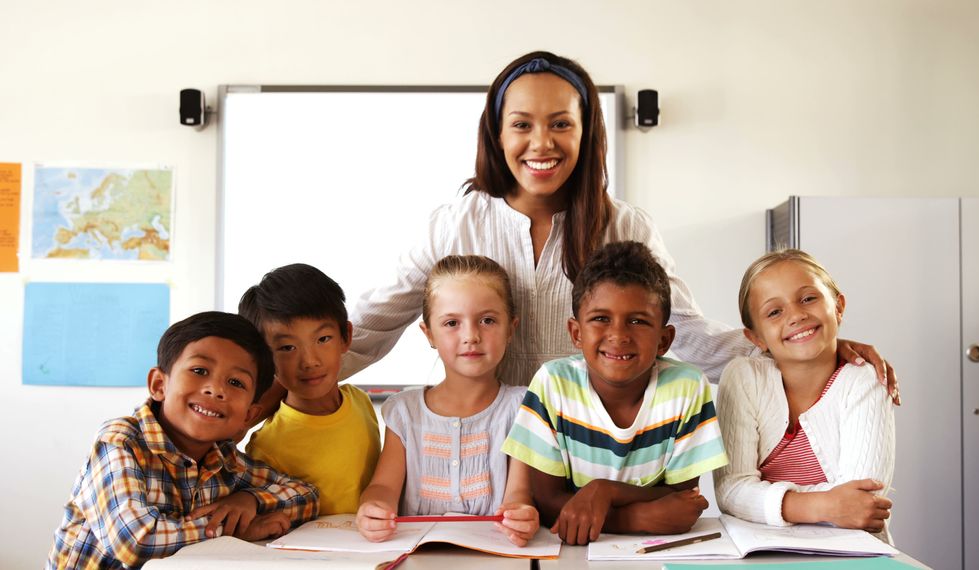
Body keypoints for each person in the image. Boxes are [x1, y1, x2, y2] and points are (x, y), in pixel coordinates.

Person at [331, 50, 900, 398]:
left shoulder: (624, 225)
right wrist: (283, 368)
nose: (541, 143)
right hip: (490, 447)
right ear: (497, 134)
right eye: (522, 124)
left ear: (586, 132)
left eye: (560, 124)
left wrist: (800, 346)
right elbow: (373, 323)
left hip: (596, 450)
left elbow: (687, 332)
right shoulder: (453, 225)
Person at [48, 312, 320, 569]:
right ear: (159, 384)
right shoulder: (121, 442)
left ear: (248, 415)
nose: (216, 389)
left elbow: (307, 496)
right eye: (200, 370)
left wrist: (250, 500)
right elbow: (135, 540)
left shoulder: (225, 461)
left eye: (236, 383)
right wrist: (233, 531)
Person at [502, 241, 728, 545]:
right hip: (567, 553)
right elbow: (547, 501)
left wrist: (602, 491)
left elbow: (682, 501)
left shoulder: (686, 388)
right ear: (576, 333)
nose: (619, 335)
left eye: (638, 321)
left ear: (664, 340)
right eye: (600, 319)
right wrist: (636, 518)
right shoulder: (552, 385)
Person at [355, 256, 540, 546]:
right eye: (452, 323)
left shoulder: (521, 408)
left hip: (494, 559)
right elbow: (382, 487)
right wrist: (373, 509)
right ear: (429, 333)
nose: (471, 336)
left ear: (511, 328)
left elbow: (519, 494)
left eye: (488, 320)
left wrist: (521, 515)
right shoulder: (405, 411)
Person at [713, 249, 895, 542]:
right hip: (760, 554)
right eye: (774, 312)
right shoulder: (743, 377)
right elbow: (731, 491)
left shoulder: (865, 380)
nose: (796, 315)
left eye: (808, 298)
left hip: (851, 554)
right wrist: (825, 504)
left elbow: (862, 502)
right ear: (756, 338)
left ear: (838, 307)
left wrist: (765, 500)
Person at [238, 263, 381, 515]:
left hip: (379, 548)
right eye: (287, 348)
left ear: (346, 337)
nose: (310, 361)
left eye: (323, 339)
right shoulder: (267, 448)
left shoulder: (360, 402)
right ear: (263, 358)